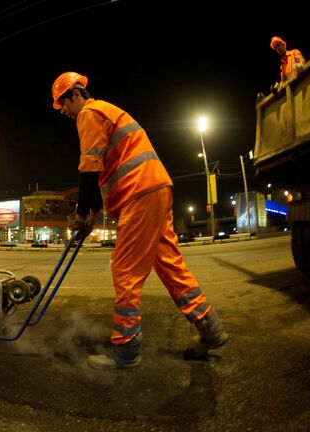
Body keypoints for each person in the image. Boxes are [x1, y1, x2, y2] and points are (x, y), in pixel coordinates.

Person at [51, 72, 229, 369]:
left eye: (63, 105)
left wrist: (82, 214)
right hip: (157, 188)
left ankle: (127, 348)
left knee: (125, 267)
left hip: (138, 193)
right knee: (169, 264)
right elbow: (100, 171)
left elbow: (90, 170)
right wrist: (92, 212)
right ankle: (211, 329)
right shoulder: (108, 111)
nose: (64, 113)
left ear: (76, 95)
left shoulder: (90, 113)